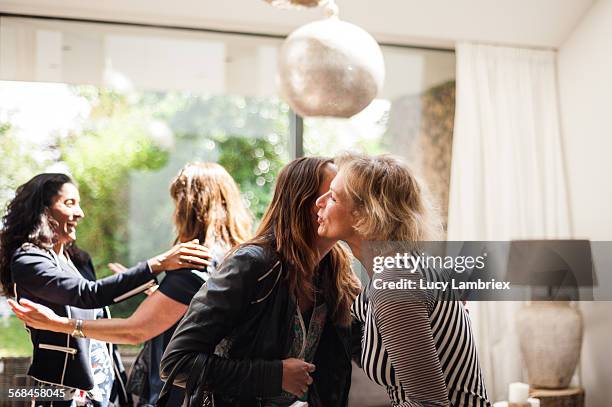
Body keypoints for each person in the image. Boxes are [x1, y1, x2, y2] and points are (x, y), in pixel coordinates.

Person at [8, 163, 252, 406]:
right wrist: (157, 269)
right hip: (64, 393)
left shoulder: (79, 260)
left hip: (120, 388)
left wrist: (59, 324)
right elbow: (88, 294)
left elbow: (133, 329)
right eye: (70, 203)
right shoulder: (29, 259)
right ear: (43, 211)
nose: (81, 213)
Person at [158, 157, 362, 407]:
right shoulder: (252, 265)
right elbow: (176, 364)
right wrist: (273, 375)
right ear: (306, 203)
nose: (350, 200)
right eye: (332, 193)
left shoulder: (337, 272)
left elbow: (368, 350)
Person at [315, 152, 491, 407]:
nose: (319, 203)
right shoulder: (401, 270)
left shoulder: (394, 280)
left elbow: (430, 404)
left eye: (332, 197)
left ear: (364, 214)